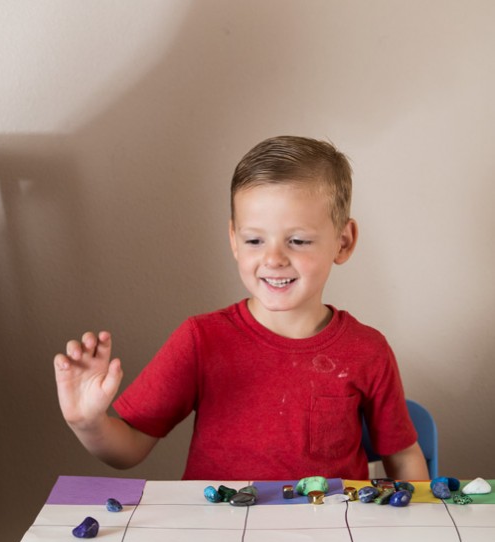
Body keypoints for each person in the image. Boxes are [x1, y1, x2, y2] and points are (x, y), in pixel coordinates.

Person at [54, 136, 429, 481]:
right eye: (254, 240)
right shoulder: (201, 339)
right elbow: (129, 448)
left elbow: (403, 457)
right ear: (234, 240)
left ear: (343, 243)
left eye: (297, 240)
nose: (274, 258)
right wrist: (87, 422)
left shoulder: (368, 351)